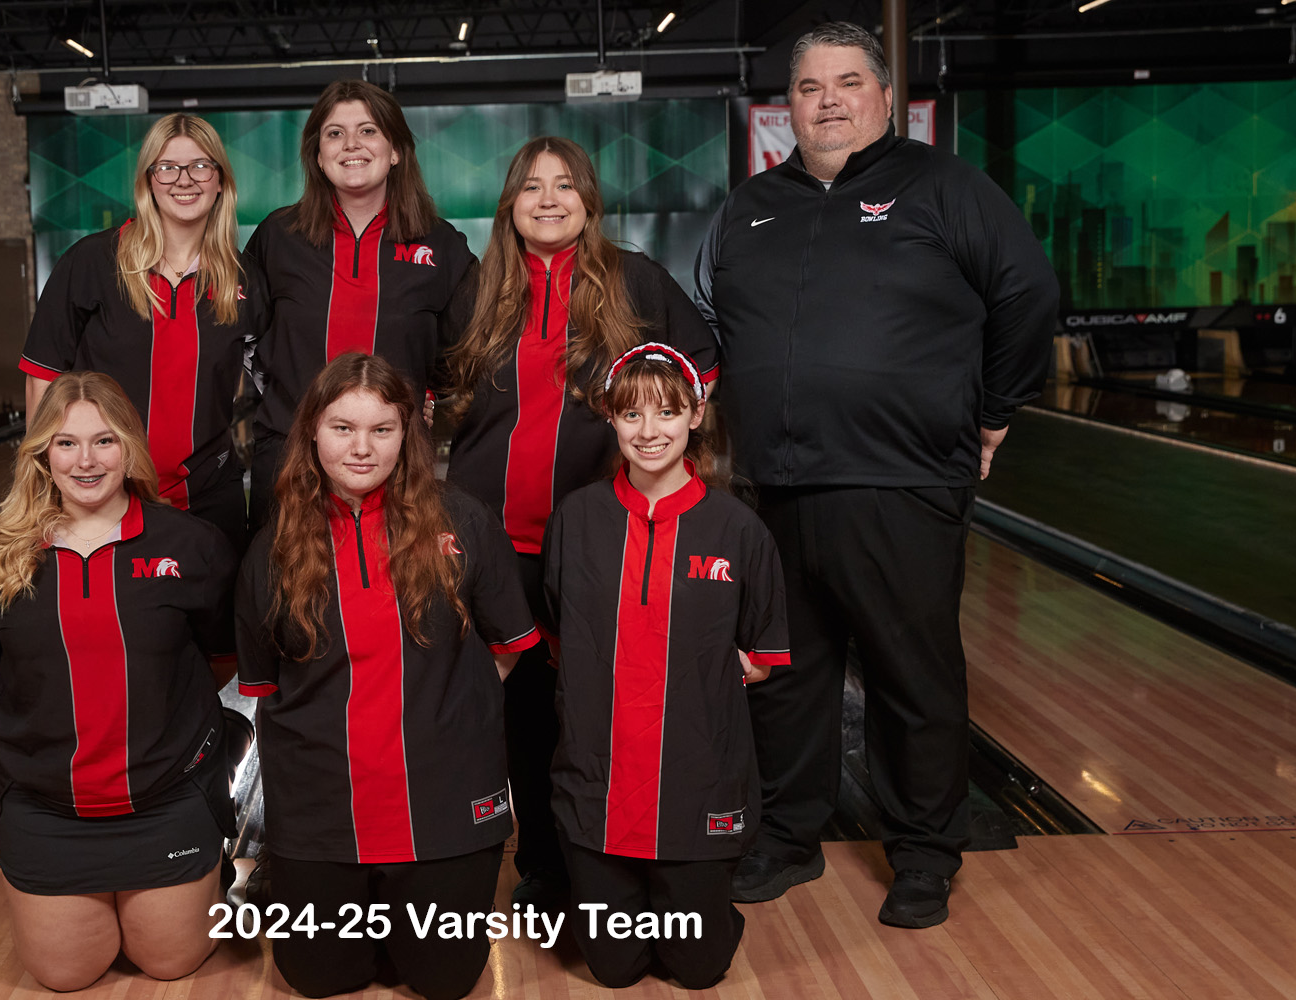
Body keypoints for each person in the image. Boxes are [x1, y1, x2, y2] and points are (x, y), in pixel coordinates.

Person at [693, 22, 1060, 927]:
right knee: (787, 673)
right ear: (788, 106)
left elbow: (1027, 296)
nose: (827, 101)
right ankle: (787, 836)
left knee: (911, 674)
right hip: (776, 486)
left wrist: (995, 411)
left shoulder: (945, 188)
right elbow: (708, 319)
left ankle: (925, 853)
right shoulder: (752, 205)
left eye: (847, 82)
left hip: (900, 480)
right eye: (809, 87)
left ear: (885, 97)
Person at [440, 136, 719, 914]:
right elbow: (426, 390)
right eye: (531, 186)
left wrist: (664, 460)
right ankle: (542, 863)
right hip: (496, 546)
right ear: (510, 204)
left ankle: (607, 853)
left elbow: (700, 367)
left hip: (602, 540)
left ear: (589, 200)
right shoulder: (477, 289)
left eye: (565, 185)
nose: (549, 198)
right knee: (522, 714)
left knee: (591, 707)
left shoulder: (636, 280)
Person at [234, 352, 539, 1000]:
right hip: (322, 807)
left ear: (409, 433)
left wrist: (446, 720)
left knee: (444, 980)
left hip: (443, 802)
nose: (362, 447)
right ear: (312, 430)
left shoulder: (464, 521)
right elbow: (263, 690)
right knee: (318, 979)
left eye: (382, 429)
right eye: (343, 428)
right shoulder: (273, 547)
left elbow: (507, 647)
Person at [0, 372, 240, 991]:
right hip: (46, 804)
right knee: (66, 973)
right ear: (42, 452)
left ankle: (217, 869)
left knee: (168, 962)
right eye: (66, 442)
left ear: (129, 448)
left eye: (104, 441)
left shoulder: (191, 545)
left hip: (167, 795)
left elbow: (219, 658)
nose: (86, 460)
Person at [541, 343, 787, 989]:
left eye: (667, 413)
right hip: (597, 780)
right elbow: (560, 632)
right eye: (631, 415)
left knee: (698, 970)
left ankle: (702, 913)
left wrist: (692, 672)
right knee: (613, 970)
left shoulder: (738, 530)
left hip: (696, 784)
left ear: (696, 415)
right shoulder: (577, 518)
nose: (649, 432)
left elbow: (761, 657)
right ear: (610, 418)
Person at [20, 113, 264, 552]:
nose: (184, 180)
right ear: (148, 180)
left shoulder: (243, 278)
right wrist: (43, 487)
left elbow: (281, 378)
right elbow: (43, 380)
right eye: (167, 167)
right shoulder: (92, 262)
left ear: (220, 181)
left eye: (200, 166)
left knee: (219, 620)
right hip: (104, 496)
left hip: (209, 496)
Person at [244, 80, 476, 530]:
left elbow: (463, 347)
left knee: (395, 591)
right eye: (334, 133)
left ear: (395, 151)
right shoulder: (278, 236)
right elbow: (242, 336)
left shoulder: (440, 242)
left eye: (368, 131)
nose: (351, 144)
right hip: (291, 454)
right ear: (317, 154)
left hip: (397, 457)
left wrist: (422, 395)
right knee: (282, 592)